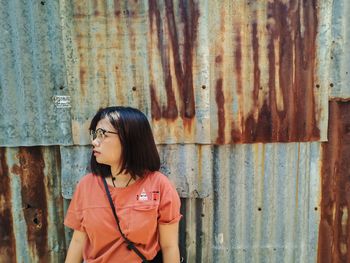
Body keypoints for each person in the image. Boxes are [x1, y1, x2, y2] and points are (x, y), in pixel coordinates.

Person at [64, 106, 182, 263]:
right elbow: (78, 241)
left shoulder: (159, 185)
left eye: (102, 135)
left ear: (129, 139)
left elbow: (169, 246)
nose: (94, 141)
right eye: (94, 134)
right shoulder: (86, 186)